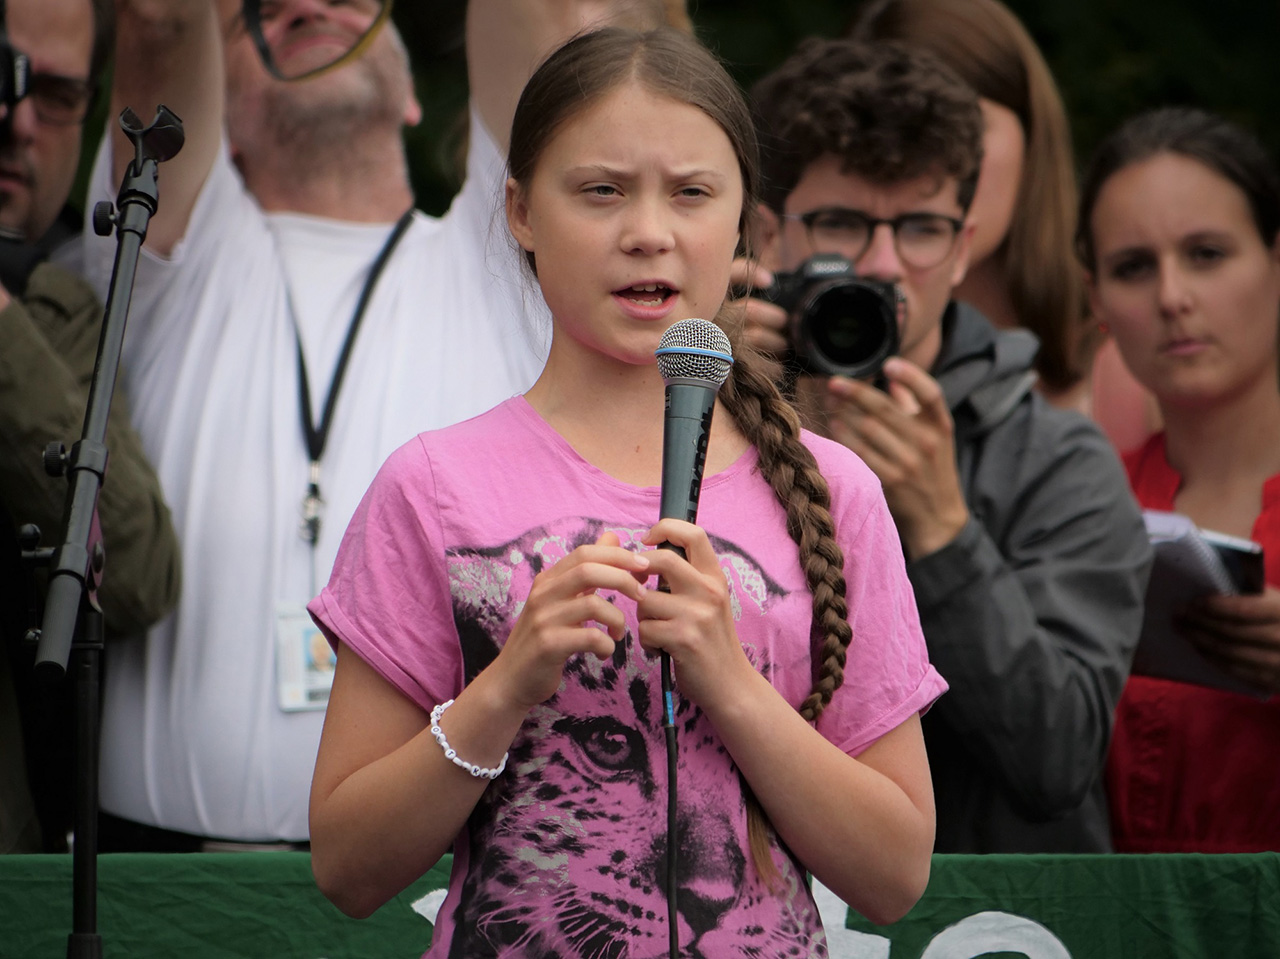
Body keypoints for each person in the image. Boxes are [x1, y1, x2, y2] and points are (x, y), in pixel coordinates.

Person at [307, 27, 946, 954]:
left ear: (747, 229)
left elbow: (895, 876)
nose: (648, 230)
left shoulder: (832, 488)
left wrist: (730, 679)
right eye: (600, 190)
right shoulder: (433, 486)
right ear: (522, 211)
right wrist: (506, 684)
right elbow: (346, 866)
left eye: (692, 193)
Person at [69, 0, 680, 852]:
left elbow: (532, 20)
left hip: (451, 868)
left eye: (353, 3)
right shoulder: (169, 245)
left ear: (414, 97)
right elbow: (162, 20)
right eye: (268, 12)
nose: (312, 6)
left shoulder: (506, 249)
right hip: (155, 875)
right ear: (220, 110)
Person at [749, 37, 1151, 852]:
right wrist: (734, 403)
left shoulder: (1059, 460)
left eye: (923, 228)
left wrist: (942, 533)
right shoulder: (705, 413)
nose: (887, 265)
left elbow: (1058, 760)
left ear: (966, 247)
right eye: (843, 224)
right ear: (767, 235)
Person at [0, 0, 180, 854]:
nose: (18, 121)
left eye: (61, 95)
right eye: (3, 78)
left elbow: (138, 568)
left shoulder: (57, 310)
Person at [1077, 106, 1280, 852]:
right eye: (1133, 266)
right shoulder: (1075, 508)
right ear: (1096, 299)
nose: (1171, 297)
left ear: (1276, 260)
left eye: (1206, 253)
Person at [845, 0, 1160, 449]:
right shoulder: (820, 355)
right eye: (898, 136)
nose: (935, 169)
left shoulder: (1129, 363)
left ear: (1032, 135)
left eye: (965, 129)